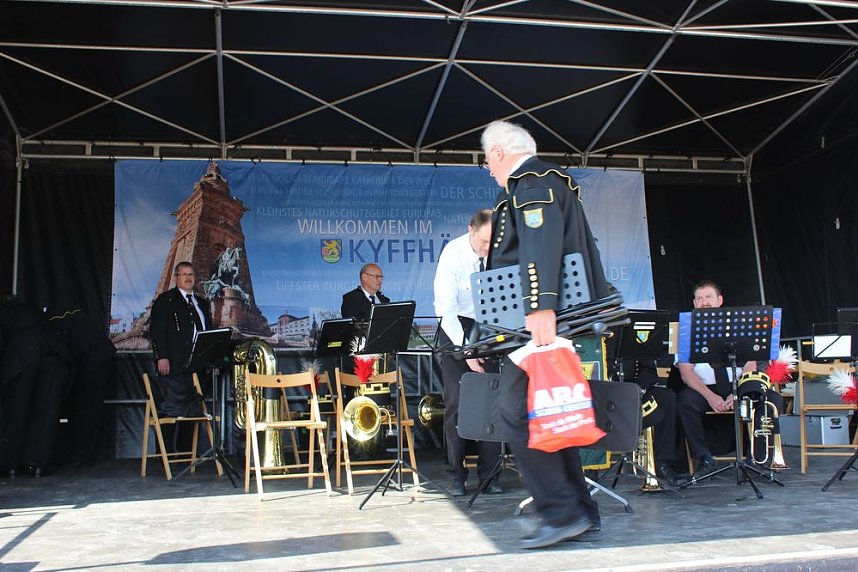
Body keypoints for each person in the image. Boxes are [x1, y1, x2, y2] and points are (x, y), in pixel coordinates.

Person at [481, 120, 612, 549]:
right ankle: (579, 510)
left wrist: (541, 306)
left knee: (516, 411)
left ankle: (560, 511)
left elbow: (540, 242)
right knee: (548, 412)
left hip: (542, 319)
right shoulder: (546, 181)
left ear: (499, 153)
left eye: (487, 159)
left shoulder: (532, 180)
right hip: (549, 317)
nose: (488, 168)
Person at [676, 280, 784, 473]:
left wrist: (735, 395)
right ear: (694, 303)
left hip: (738, 386)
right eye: (699, 298)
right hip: (704, 389)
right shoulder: (686, 330)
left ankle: (758, 459)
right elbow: (686, 372)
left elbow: (750, 366)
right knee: (684, 401)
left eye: (709, 297)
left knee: (771, 400)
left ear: (719, 300)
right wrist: (711, 396)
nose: (704, 302)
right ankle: (704, 458)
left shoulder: (741, 323)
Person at [433, 208, 503, 497]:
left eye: (492, 243)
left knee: (492, 405)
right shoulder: (453, 254)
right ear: (470, 230)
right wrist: (467, 350)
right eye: (484, 242)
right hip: (455, 331)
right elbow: (445, 311)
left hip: (488, 328)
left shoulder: (498, 251)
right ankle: (456, 475)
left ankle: (490, 475)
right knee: (457, 406)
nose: (488, 248)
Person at [0, 295, 71, 477]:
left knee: (16, 412)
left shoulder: (6, 314)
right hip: (53, 357)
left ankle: (10, 465)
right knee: (47, 412)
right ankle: (38, 465)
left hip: (23, 360)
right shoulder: (34, 312)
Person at [605, 339, 682, 484]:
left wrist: (639, 389)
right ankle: (591, 469)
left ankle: (662, 463)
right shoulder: (593, 337)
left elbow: (649, 370)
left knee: (667, 397)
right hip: (605, 397)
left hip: (634, 393)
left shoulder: (630, 337)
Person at [48, 306, 117, 466]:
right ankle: (82, 454)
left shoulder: (57, 327)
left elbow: (71, 360)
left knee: (87, 409)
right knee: (89, 409)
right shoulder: (70, 321)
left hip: (93, 363)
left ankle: (81, 455)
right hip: (98, 359)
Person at [149, 261, 213, 418]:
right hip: (174, 367)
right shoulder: (165, 300)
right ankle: (166, 444)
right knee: (170, 413)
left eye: (191, 274)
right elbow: (157, 330)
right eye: (185, 274)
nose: (189, 278)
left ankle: (187, 444)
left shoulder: (203, 304)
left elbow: (208, 331)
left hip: (198, 367)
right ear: (176, 277)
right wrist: (161, 356)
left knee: (192, 415)